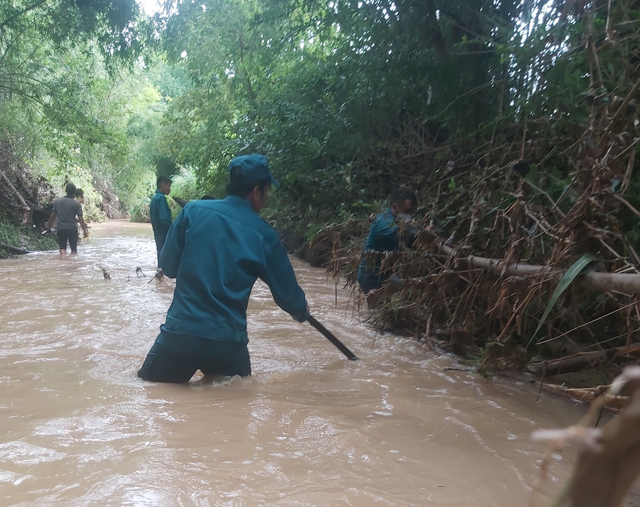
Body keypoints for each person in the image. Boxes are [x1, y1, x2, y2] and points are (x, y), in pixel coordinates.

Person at [138, 154, 309, 383]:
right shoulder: (264, 235)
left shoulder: (192, 212)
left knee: (151, 391)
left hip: (180, 335)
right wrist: (301, 310)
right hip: (227, 343)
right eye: (267, 191)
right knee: (237, 400)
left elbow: (168, 267)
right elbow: (290, 299)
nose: (266, 198)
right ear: (256, 191)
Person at [357, 188, 418, 294]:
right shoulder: (384, 221)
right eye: (407, 211)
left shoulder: (396, 221)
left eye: (411, 211)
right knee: (377, 307)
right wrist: (419, 233)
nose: (409, 215)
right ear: (395, 206)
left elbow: (410, 242)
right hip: (371, 276)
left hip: (385, 274)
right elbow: (399, 233)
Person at [46, 183, 89, 255]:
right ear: (74, 192)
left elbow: (53, 215)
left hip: (61, 228)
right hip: (72, 229)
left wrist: (49, 225)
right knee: (74, 250)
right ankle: (72, 264)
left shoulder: (58, 202)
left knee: (62, 248)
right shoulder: (77, 204)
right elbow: (80, 218)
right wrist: (84, 230)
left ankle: (63, 261)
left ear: (66, 190)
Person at [150, 176, 172, 268]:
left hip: (157, 232)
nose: (169, 189)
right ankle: (163, 277)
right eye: (169, 186)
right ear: (163, 185)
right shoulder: (161, 199)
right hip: (163, 233)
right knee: (165, 257)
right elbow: (163, 218)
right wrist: (172, 229)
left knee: (160, 254)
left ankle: (160, 277)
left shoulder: (155, 199)